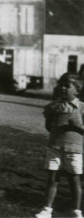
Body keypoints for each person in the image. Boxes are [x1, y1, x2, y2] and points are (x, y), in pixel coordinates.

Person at [36, 73, 84, 218]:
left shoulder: (81, 107)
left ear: (76, 89)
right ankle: (47, 209)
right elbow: (48, 125)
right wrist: (53, 128)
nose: (63, 88)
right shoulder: (54, 106)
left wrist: (78, 126)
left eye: (67, 86)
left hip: (74, 149)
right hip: (55, 147)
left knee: (74, 179)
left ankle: (76, 211)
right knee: (52, 178)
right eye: (61, 85)